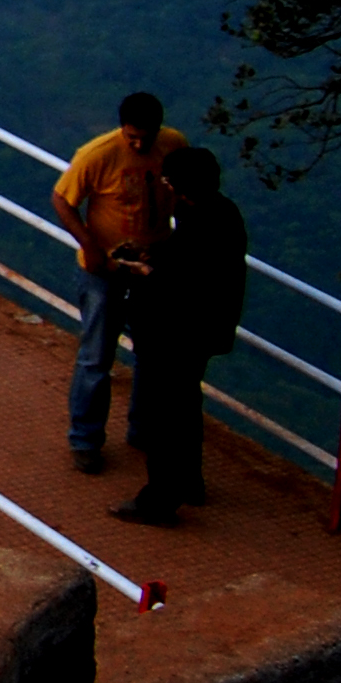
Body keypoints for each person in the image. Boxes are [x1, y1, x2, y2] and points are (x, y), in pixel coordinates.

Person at [52, 92, 188, 472]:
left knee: (152, 352)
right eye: (132, 137)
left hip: (152, 266)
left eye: (146, 136)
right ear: (121, 129)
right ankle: (85, 439)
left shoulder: (173, 145)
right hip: (106, 269)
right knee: (97, 355)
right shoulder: (98, 154)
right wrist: (90, 246)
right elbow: (63, 199)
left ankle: (142, 429)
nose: (140, 144)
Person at [112, 148, 247, 526]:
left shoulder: (198, 222)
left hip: (175, 333)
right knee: (185, 405)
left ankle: (158, 500)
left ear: (180, 186)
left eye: (169, 181)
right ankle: (190, 482)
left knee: (165, 415)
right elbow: (194, 264)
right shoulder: (222, 213)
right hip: (204, 331)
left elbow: (182, 282)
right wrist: (154, 254)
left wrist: (141, 271)